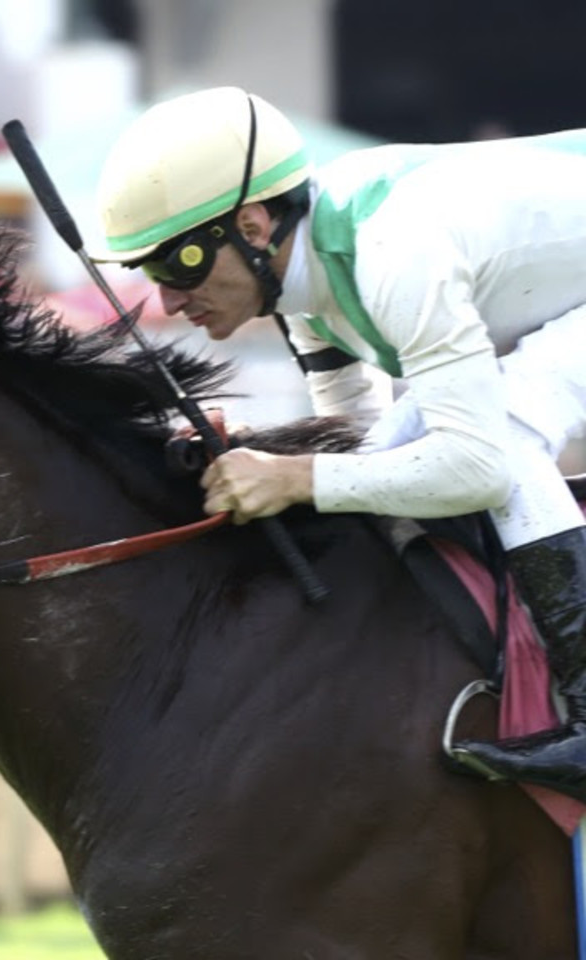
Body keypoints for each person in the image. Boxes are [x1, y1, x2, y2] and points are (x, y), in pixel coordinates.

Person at [91, 85, 586, 802]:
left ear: (253, 226)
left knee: (500, 435)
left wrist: (291, 478)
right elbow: (361, 450)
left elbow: (475, 469)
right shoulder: (308, 288)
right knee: (394, 446)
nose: (167, 301)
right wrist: (263, 463)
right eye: (151, 275)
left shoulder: (393, 253)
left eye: (177, 264)